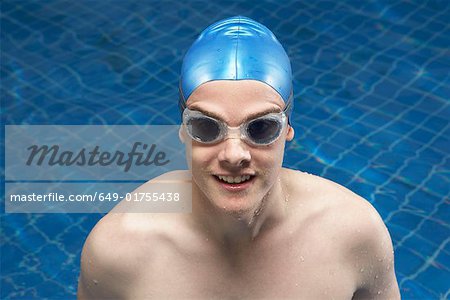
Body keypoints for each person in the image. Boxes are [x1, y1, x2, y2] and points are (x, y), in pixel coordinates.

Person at [78, 16, 400, 299]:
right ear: (183, 132)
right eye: (206, 127)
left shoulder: (354, 235)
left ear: (287, 130)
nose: (234, 155)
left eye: (260, 128)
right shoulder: (118, 250)